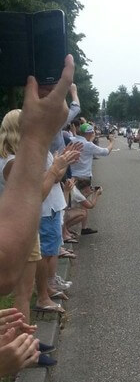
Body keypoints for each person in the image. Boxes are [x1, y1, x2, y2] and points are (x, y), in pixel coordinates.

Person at [0, 55, 75, 295]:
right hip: (30, 220)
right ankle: (43, 296)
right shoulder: (11, 161)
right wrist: (35, 137)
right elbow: (5, 269)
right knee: (27, 280)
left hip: (32, 218)